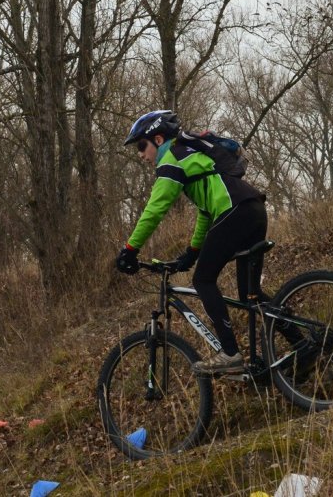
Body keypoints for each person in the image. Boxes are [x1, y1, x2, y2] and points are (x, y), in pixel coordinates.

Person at [115, 110, 304, 375]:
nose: (140, 154)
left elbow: (155, 210)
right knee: (250, 294)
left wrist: (130, 249)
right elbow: (206, 210)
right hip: (252, 209)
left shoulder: (171, 159)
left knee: (203, 280)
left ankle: (230, 354)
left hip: (235, 211)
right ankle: (303, 344)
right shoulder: (191, 156)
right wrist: (192, 251)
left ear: (158, 139)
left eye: (141, 146)